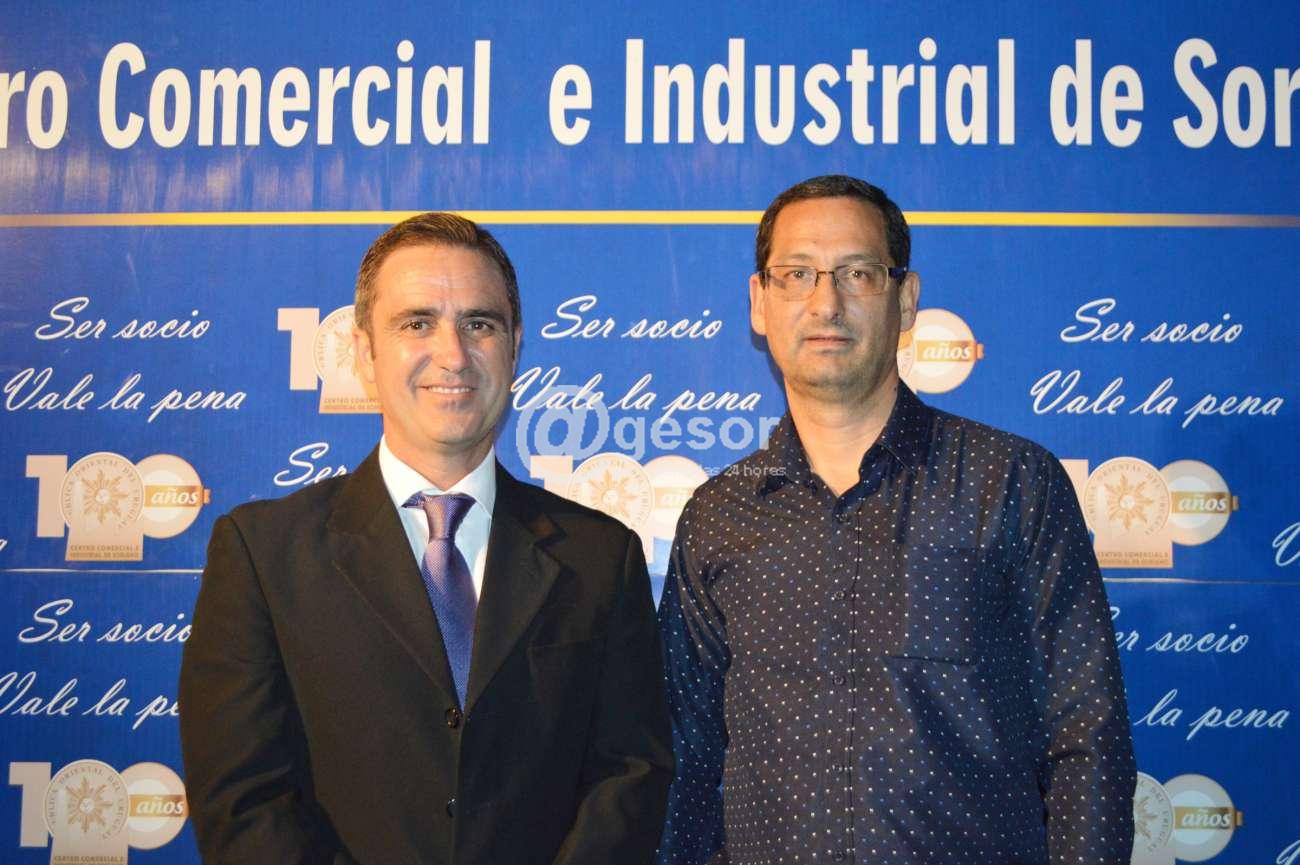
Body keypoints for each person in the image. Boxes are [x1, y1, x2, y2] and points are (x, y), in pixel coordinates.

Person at [656, 176, 1136, 865]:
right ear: (760, 302)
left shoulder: (1010, 483)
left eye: (858, 273)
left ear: (906, 299)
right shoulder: (718, 515)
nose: (826, 302)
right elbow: (684, 758)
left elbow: (1088, 737)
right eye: (797, 275)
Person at [180, 212, 672, 865]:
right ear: (364, 353)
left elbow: (629, 776)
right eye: (417, 323)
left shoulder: (601, 557)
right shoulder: (263, 554)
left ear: (515, 348)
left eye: (479, 324)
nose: (453, 354)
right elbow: (243, 802)